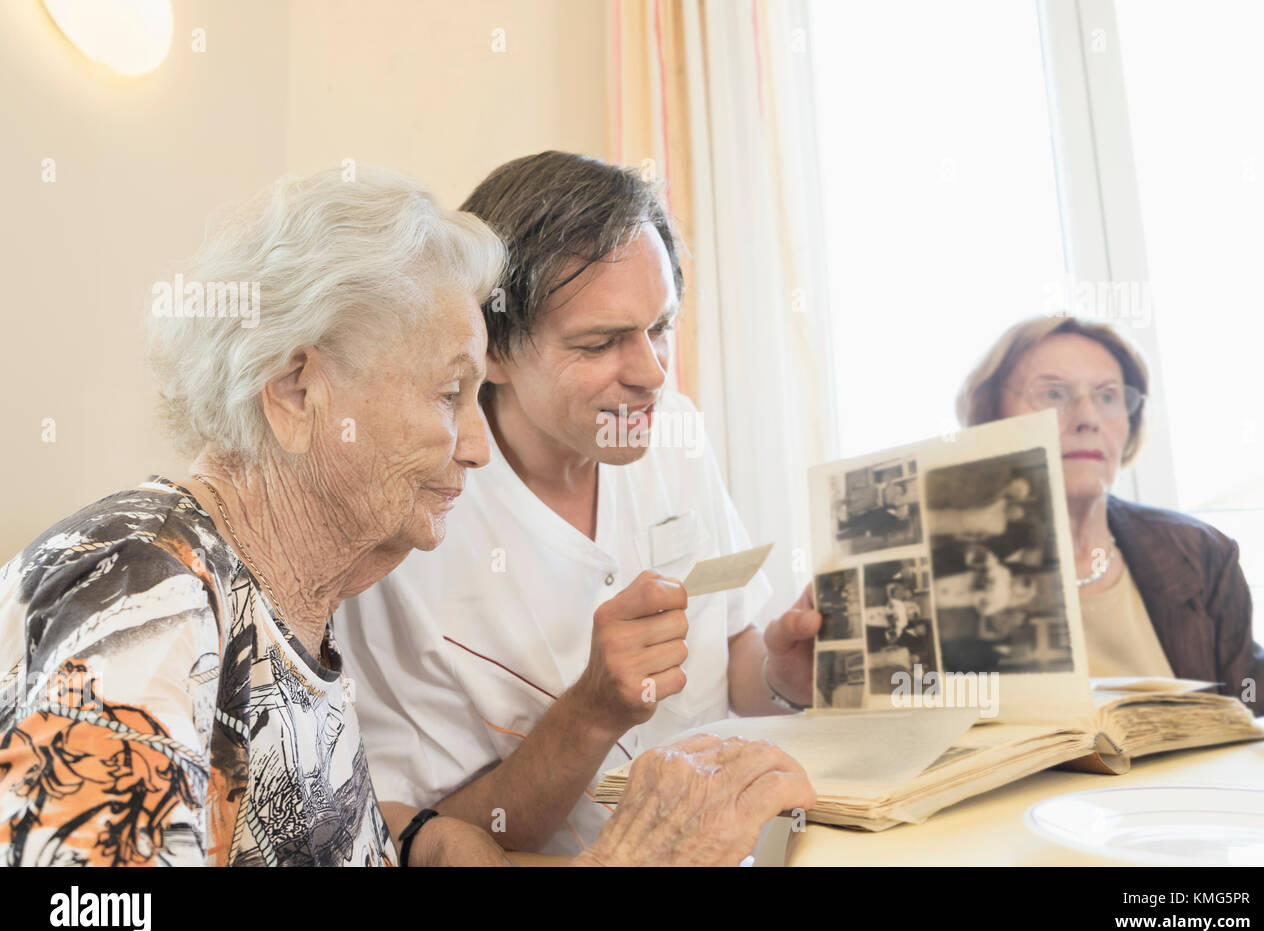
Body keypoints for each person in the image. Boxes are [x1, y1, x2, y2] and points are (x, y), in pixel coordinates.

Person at [0, 166, 815, 867]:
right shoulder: (142, 589)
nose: (476, 445)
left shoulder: (295, 621)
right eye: (447, 394)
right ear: (296, 393)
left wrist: (415, 836)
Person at [334, 151, 822, 855]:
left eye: (660, 328)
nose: (652, 374)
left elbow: (731, 653)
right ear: (487, 351)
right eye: (599, 343)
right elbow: (437, 836)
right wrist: (591, 712)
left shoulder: (676, 435)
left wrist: (781, 675)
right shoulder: (407, 532)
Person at [956, 314, 1264, 715]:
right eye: (1053, 393)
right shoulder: (944, 565)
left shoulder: (1200, 552)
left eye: (1107, 396)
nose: (1087, 418)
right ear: (990, 416)